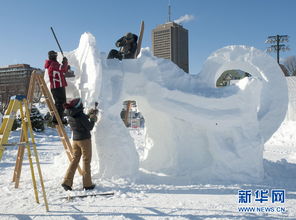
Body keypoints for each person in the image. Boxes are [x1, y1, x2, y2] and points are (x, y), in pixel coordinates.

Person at [61, 98, 98, 191]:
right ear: (79, 106)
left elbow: (81, 120)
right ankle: (87, 184)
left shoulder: (70, 114)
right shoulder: (80, 115)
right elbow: (89, 126)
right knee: (86, 161)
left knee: (74, 160)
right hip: (84, 140)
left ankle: (67, 182)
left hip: (75, 140)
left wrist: (88, 115)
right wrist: (93, 119)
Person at [44, 50, 68, 124]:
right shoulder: (54, 64)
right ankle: (57, 119)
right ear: (53, 56)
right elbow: (64, 69)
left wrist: (65, 64)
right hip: (58, 86)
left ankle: (58, 118)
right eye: (55, 55)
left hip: (57, 86)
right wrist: (65, 62)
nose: (56, 57)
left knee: (60, 103)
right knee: (60, 103)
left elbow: (63, 69)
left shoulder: (53, 64)